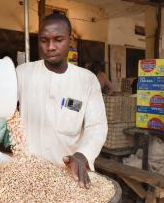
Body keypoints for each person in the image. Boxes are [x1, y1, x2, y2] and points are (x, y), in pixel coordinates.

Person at [16, 13, 108, 188]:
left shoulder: (86, 80)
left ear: (70, 40)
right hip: (29, 173)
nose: (50, 47)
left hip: (69, 174)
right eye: (44, 40)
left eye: (58, 39)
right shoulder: (23, 73)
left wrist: (83, 154)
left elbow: (97, 126)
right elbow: (1, 105)